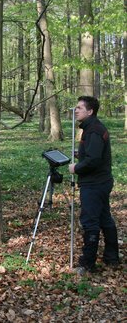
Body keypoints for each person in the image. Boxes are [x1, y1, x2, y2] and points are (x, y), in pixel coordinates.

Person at [69, 96, 119, 275]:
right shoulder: (92, 128)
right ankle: (111, 257)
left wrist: (77, 167)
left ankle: (87, 264)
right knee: (105, 218)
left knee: (90, 222)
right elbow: (93, 153)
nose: (76, 110)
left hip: (94, 184)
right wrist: (81, 153)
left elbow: (94, 160)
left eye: (79, 108)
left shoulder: (94, 131)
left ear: (90, 111)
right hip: (101, 181)